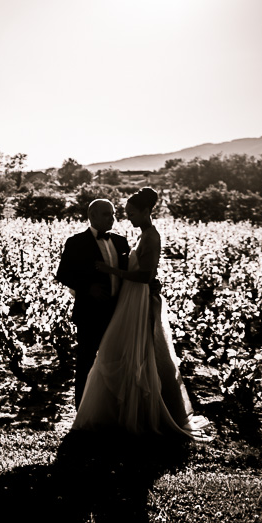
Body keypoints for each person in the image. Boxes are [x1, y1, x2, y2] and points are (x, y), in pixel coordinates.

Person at [71, 187, 208, 438]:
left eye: (128, 213)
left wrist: (117, 273)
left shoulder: (142, 237)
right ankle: (96, 410)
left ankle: (128, 412)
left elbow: (145, 274)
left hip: (132, 303)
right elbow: (66, 274)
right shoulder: (88, 241)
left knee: (131, 354)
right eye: (119, 213)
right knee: (102, 357)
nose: (123, 218)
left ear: (146, 211)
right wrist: (91, 286)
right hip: (114, 305)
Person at [56, 199, 130, 408]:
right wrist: (88, 288)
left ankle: (110, 407)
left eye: (113, 214)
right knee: (86, 360)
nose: (112, 218)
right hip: (90, 312)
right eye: (107, 214)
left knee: (116, 361)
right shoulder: (76, 242)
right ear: (93, 216)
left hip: (118, 311)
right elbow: (63, 274)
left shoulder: (121, 242)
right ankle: (82, 409)